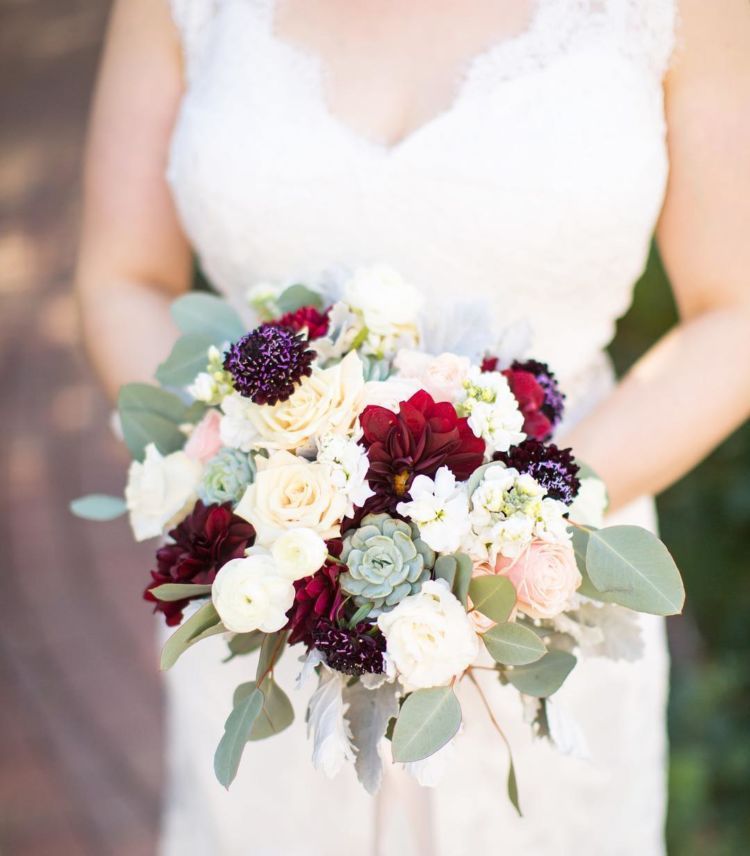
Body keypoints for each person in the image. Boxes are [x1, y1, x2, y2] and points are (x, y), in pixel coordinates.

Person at [75, 1, 750, 854]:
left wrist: (504, 530)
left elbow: (734, 312)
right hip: (272, 602)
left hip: (548, 596)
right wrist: (266, 493)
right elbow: (121, 277)